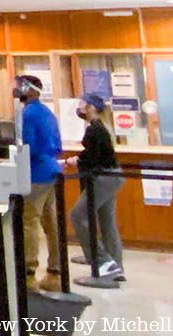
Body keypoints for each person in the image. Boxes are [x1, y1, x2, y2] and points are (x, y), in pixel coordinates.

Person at [66, 94, 124, 281]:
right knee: (107, 222)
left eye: (82, 104)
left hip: (102, 178)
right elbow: (94, 152)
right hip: (113, 176)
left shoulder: (94, 130)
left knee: (77, 216)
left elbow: (93, 158)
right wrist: (80, 157)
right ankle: (116, 266)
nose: (79, 107)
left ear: (90, 107)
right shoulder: (101, 127)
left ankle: (103, 262)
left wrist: (79, 161)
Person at [17, 74, 64, 292]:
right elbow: (57, 145)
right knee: (50, 222)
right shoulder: (47, 112)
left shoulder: (29, 114)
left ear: (31, 90)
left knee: (30, 222)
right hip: (52, 170)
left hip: (36, 173)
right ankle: (55, 271)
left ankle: (28, 274)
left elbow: (28, 146)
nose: (17, 90)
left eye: (20, 86)